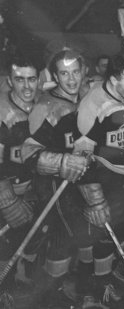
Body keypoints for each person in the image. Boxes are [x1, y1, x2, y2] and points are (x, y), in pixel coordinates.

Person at [20, 49, 92, 306]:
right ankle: (52, 297)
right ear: (55, 75)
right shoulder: (47, 107)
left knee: (86, 239)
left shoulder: (88, 98)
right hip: (55, 186)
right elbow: (28, 152)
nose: (71, 79)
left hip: (82, 183)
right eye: (64, 73)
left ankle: (81, 291)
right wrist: (62, 162)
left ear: (83, 71)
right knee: (65, 238)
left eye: (75, 72)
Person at [74, 53, 124, 303]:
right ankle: (97, 291)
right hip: (104, 176)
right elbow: (80, 158)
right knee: (104, 234)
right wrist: (94, 199)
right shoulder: (92, 104)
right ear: (113, 79)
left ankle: (112, 282)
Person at [0, 54, 40, 299]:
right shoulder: (2, 112)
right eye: (19, 79)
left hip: (36, 188)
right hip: (7, 192)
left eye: (32, 79)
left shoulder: (45, 106)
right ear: (9, 80)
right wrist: (6, 199)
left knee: (31, 241)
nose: (26, 86)